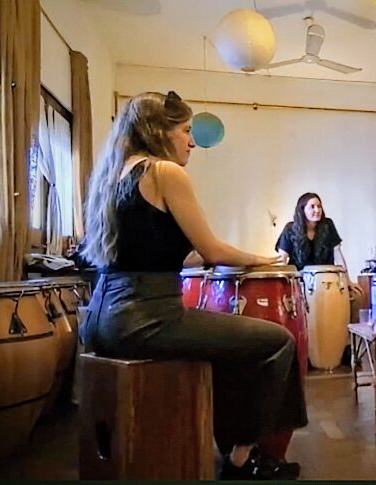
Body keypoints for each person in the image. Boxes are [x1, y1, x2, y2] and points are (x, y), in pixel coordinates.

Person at [79, 91, 307, 480]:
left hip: (100, 317)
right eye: (185, 131)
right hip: (145, 317)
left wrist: (222, 254)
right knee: (278, 342)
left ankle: (228, 442)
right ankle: (241, 462)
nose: (192, 141)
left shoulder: (114, 175)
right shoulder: (164, 172)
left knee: (229, 349)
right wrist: (263, 258)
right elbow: (213, 250)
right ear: (158, 131)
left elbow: (163, 255)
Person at [275, 192, 363, 302]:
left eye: (319, 206)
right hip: (300, 283)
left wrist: (347, 281)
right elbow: (281, 260)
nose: (317, 210)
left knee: (357, 296)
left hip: (327, 282)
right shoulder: (290, 229)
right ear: (302, 210)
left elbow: (338, 254)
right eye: (312, 207)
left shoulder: (328, 225)